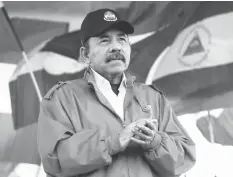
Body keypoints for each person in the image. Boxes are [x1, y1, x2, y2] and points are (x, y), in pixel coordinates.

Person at [38, 8, 196, 177]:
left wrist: (154, 141)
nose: (116, 47)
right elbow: (54, 159)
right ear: (85, 54)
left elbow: (184, 158)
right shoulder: (62, 98)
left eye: (122, 40)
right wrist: (113, 141)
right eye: (104, 41)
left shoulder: (154, 98)